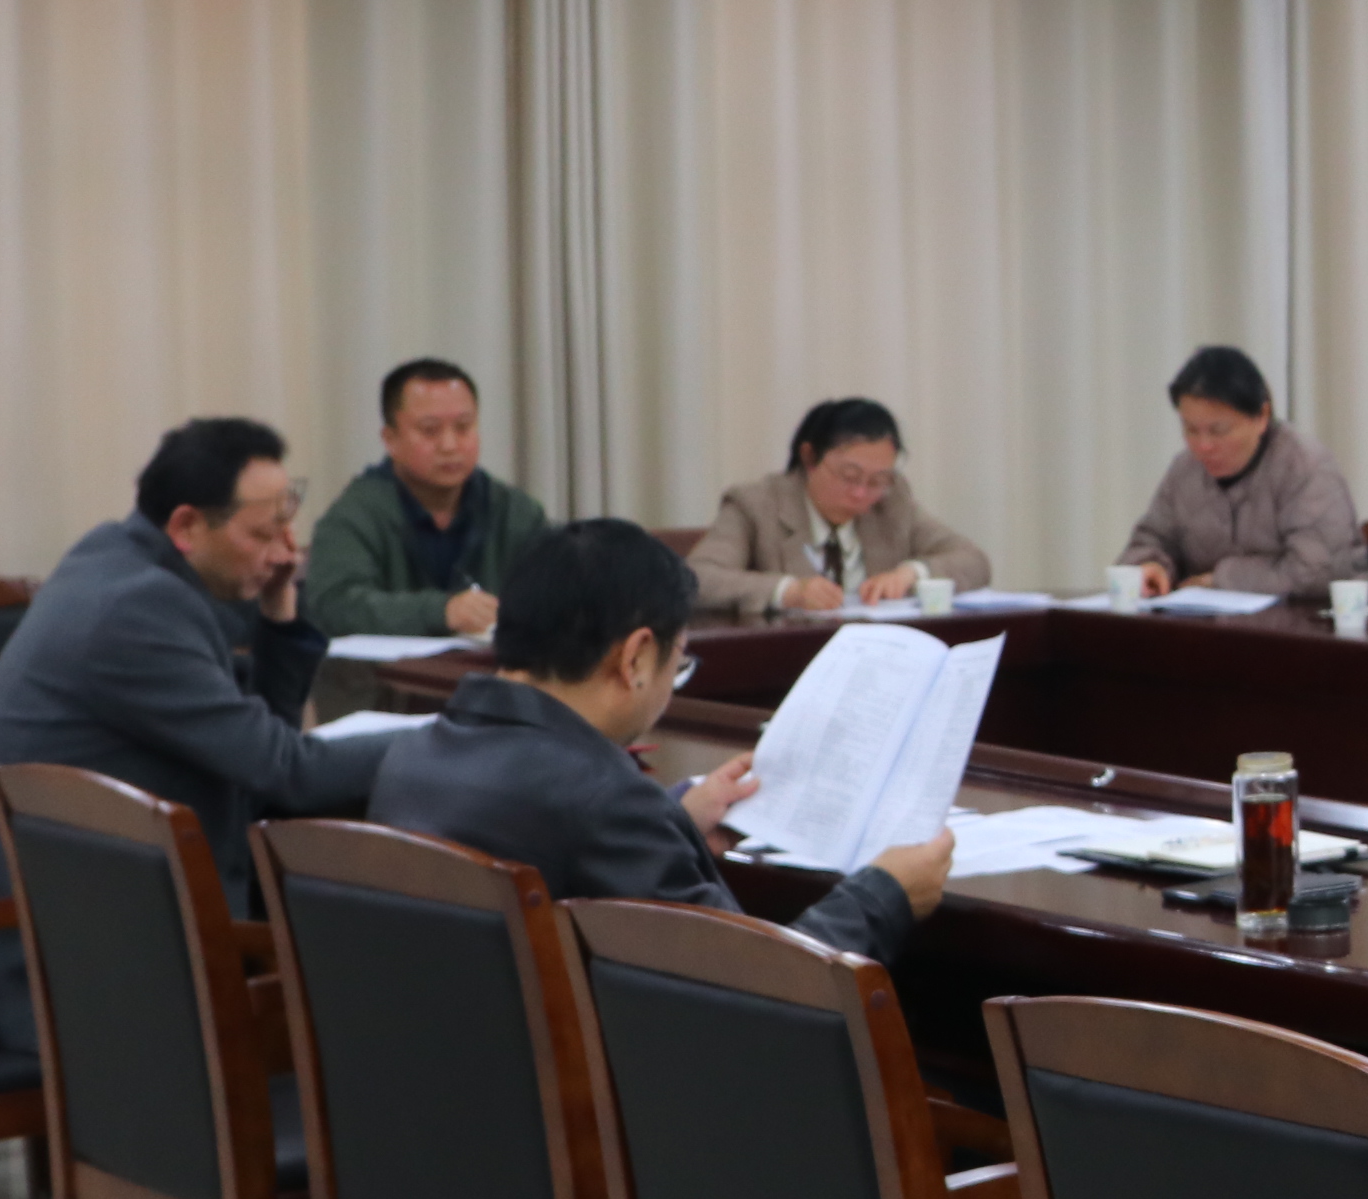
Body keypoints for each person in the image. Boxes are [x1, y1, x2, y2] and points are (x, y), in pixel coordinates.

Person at [0, 419, 399, 1199]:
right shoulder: (138, 612)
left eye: (290, 521)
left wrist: (280, 615)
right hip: (64, 962)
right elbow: (283, 769)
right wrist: (451, 740)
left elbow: (253, 747)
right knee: (364, 982)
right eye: (264, 531)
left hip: (70, 921)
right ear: (188, 524)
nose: (285, 548)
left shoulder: (117, 561)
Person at [373, 520, 947, 960]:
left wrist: (675, 818)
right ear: (636, 658)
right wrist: (885, 895)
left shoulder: (412, 756)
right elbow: (760, 984)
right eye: (680, 662)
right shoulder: (605, 802)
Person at [305, 357, 553, 640]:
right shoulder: (354, 517)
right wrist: (441, 612)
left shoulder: (516, 512)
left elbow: (555, 597)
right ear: (390, 440)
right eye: (430, 430)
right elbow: (336, 606)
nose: (449, 445)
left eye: (463, 427)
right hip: (390, 669)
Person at [690, 399, 994, 619]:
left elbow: (973, 560)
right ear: (810, 458)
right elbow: (698, 579)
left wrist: (911, 574)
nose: (862, 493)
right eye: (849, 476)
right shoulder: (756, 504)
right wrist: (788, 591)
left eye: (878, 480)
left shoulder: (891, 502)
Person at [1116, 344, 1367, 601]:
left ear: (1262, 417)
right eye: (1191, 429)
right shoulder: (1185, 470)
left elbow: (1319, 572)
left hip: (1299, 620)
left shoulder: (1305, 466)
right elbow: (1149, 540)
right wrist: (1151, 566)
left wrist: (1221, 579)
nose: (1203, 446)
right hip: (1203, 620)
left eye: (1218, 430)